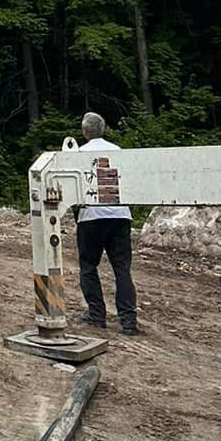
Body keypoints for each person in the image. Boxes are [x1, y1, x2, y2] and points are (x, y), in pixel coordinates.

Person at [75, 111, 138, 336]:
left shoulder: (78, 154)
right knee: (122, 269)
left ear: (84, 131)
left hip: (91, 216)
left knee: (88, 266)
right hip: (120, 214)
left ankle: (96, 314)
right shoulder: (117, 151)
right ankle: (128, 321)